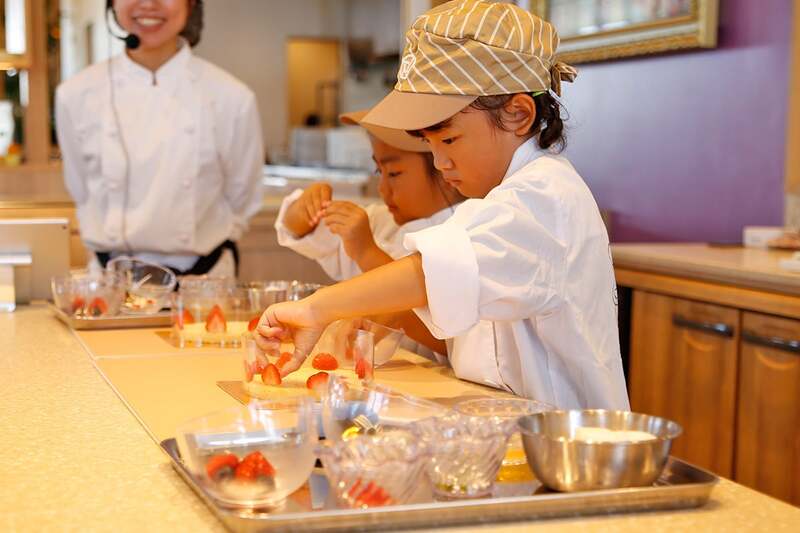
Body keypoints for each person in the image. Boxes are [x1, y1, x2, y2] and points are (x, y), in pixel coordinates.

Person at [255, 0, 629, 409]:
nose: (439, 162)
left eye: (449, 139)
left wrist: (315, 310)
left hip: (561, 437)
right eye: (430, 144)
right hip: (512, 424)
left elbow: (431, 274)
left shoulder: (546, 195)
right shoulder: (501, 196)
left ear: (518, 115)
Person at [56, 0, 264, 278]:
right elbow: (80, 189)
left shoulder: (232, 97)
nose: (149, 4)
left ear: (191, 4)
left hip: (203, 283)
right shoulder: (75, 95)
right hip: (111, 283)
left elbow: (243, 199)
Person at [275, 109, 463, 357]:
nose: (382, 188)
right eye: (378, 172)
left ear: (443, 170)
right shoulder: (379, 220)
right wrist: (304, 207)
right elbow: (297, 229)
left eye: (394, 173)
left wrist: (366, 252)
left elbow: (452, 342)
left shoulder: (461, 234)